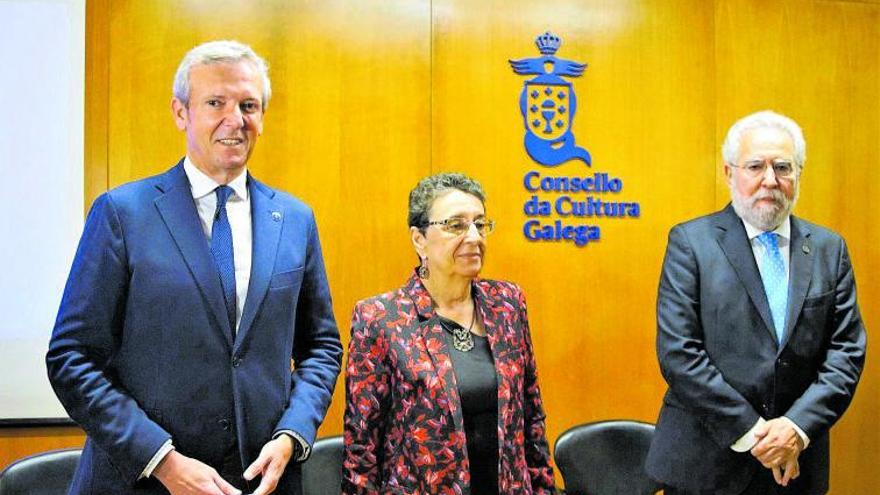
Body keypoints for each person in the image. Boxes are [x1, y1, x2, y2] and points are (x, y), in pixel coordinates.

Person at [46, 40, 343, 495]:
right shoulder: (123, 213)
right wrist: (160, 460)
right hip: (144, 481)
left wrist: (292, 434)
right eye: (215, 103)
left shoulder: (295, 220)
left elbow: (321, 346)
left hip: (261, 481)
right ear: (181, 113)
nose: (235, 120)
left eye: (248, 105)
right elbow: (72, 357)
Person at [645, 110, 867, 494]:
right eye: (755, 166)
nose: (770, 180)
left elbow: (845, 353)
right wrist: (755, 433)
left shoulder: (830, 249)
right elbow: (679, 353)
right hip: (706, 466)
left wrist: (796, 428)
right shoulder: (690, 243)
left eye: (783, 167)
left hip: (797, 464)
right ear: (730, 173)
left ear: (799, 174)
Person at [341, 173, 556, 494]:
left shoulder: (508, 304)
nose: (474, 236)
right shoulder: (381, 318)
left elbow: (532, 419)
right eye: (456, 225)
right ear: (419, 239)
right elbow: (362, 448)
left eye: (480, 224)